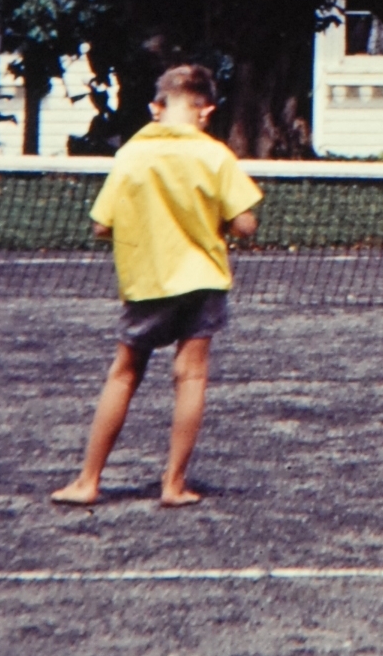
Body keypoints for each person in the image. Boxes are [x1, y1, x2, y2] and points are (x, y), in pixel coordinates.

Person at [52, 63, 261, 510]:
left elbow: (100, 226)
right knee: (191, 377)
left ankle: (88, 481)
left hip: (146, 281)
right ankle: (174, 485)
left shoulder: (131, 154)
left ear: (156, 108)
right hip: (203, 281)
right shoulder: (216, 155)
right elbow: (245, 224)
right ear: (206, 111)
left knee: (124, 373)